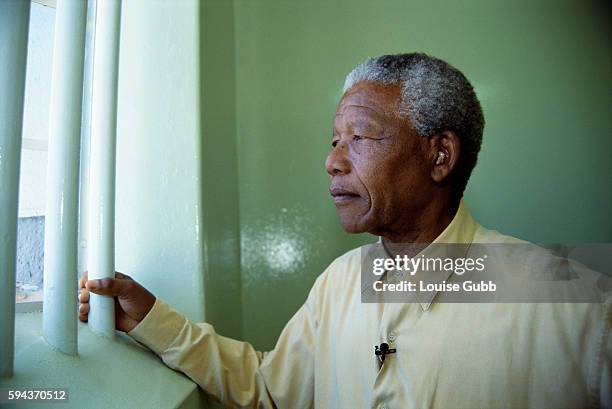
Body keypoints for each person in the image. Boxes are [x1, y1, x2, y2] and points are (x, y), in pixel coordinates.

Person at [78, 53, 611, 408]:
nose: (332, 162)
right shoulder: (339, 282)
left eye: (359, 136)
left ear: (439, 155)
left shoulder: (578, 306)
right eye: (334, 139)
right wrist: (152, 320)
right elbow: (269, 388)